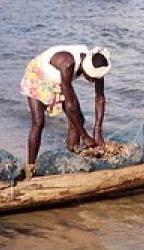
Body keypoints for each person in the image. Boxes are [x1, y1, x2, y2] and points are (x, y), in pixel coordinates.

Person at [20, 45, 111, 179]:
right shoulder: (68, 63)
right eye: (91, 77)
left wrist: (98, 130)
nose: (93, 81)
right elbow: (69, 105)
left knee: (77, 121)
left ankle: (72, 160)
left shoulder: (97, 63)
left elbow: (100, 98)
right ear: (86, 69)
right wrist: (85, 136)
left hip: (62, 81)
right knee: (38, 123)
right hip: (38, 75)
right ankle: (30, 168)